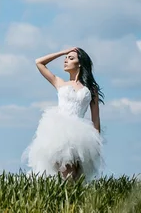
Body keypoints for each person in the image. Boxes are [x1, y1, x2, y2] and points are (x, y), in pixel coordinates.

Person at [21, 47, 105, 181]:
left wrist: (97, 145)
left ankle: (69, 200)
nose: (66, 60)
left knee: (76, 176)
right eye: (66, 58)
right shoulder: (60, 83)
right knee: (65, 172)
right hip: (59, 131)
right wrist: (63, 52)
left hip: (81, 136)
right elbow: (39, 62)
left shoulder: (91, 89)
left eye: (71, 58)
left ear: (80, 63)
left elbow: (96, 118)